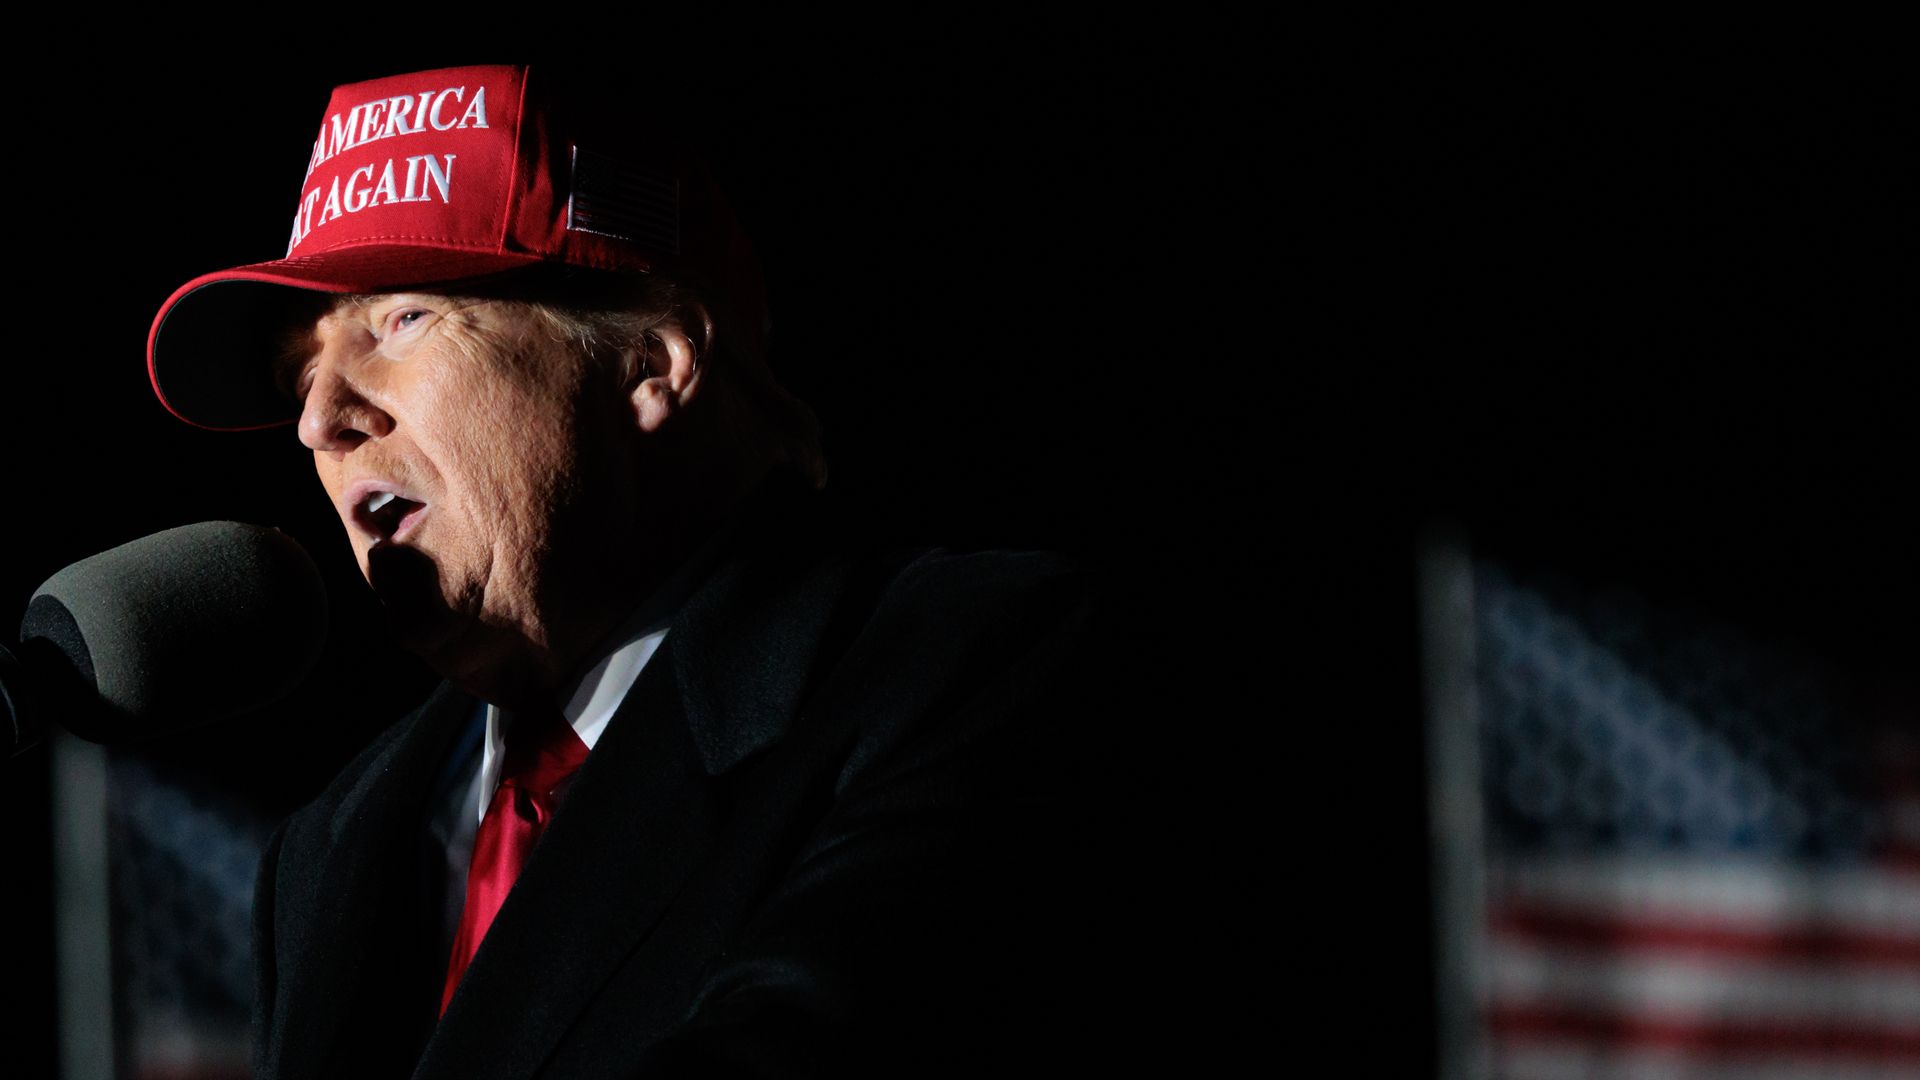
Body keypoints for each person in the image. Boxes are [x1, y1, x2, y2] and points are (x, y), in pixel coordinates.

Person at [147, 63, 1118, 1078]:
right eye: (301, 372)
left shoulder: (958, 661)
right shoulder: (324, 853)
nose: (318, 419)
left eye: (403, 320)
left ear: (651, 362)